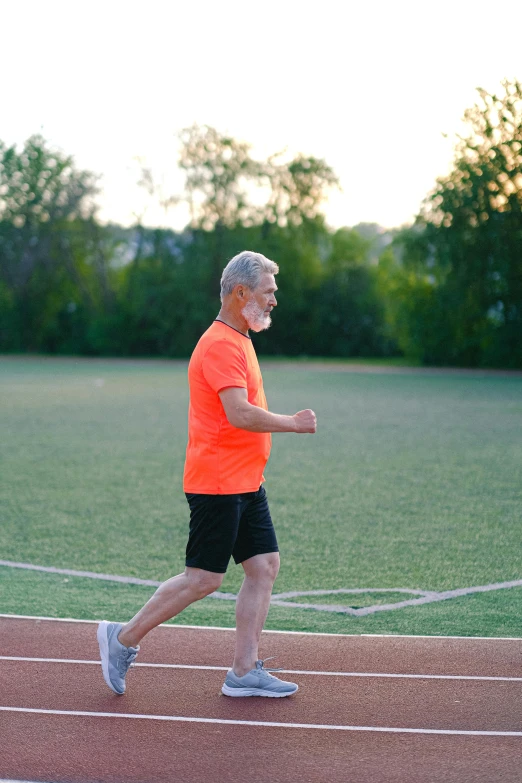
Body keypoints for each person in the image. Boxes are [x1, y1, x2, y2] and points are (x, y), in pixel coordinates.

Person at [97, 250, 317, 698]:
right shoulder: (219, 344)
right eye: (268, 292)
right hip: (218, 482)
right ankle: (121, 640)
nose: (275, 300)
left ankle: (243, 671)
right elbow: (238, 413)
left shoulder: (240, 340)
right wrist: (292, 423)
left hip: (246, 480)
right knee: (204, 578)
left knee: (264, 566)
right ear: (241, 294)